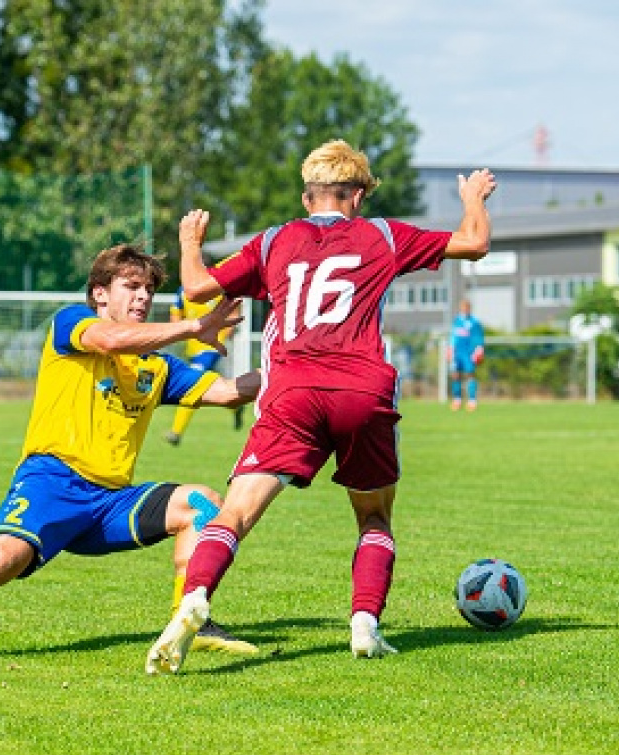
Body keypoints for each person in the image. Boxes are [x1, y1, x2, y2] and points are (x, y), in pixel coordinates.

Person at [146, 140, 497, 675]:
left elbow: (196, 288)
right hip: (362, 390)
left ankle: (195, 596)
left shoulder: (274, 241)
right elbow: (474, 243)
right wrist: (473, 197)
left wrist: (189, 242)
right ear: (356, 195)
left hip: (291, 392)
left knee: (235, 514)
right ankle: (364, 625)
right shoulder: (381, 235)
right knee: (374, 516)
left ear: (308, 196)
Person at [0, 244, 261, 669]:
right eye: (131, 286)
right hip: (51, 485)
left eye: (148, 289)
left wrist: (292, 362)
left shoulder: (158, 368)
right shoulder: (71, 324)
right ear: (100, 294)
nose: (143, 297)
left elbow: (228, 392)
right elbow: (109, 339)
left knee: (200, 504)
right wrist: (194, 326)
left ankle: (190, 621)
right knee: (0, 560)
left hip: (111, 503)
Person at [164, 285, 245, 445]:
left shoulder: (218, 288)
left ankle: (176, 432)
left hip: (212, 348)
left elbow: (234, 309)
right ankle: (236, 406)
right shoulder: (184, 290)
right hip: (193, 348)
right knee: (215, 386)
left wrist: (227, 331)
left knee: (190, 384)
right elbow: (175, 314)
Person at [448, 299, 485, 410]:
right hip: (457, 352)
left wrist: (479, 350)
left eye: (466, 307)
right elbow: (453, 336)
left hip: (469, 353)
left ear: (469, 308)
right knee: (455, 375)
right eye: (463, 307)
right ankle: (457, 400)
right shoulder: (457, 320)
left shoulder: (475, 322)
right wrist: (450, 348)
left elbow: (479, 337)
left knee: (470, 375)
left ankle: (472, 401)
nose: (465, 309)